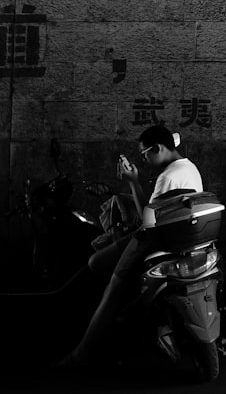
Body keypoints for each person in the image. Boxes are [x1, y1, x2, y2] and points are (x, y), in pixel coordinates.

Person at [58, 125, 204, 367]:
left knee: (112, 290)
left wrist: (133, 182)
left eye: (145, 153)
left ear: (158, 148)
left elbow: (148, 219)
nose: (144, 159)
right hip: (163, 237)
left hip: (153, 240)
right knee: (96, 262)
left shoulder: (169, 176)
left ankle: (80, 355)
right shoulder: (188, 168)